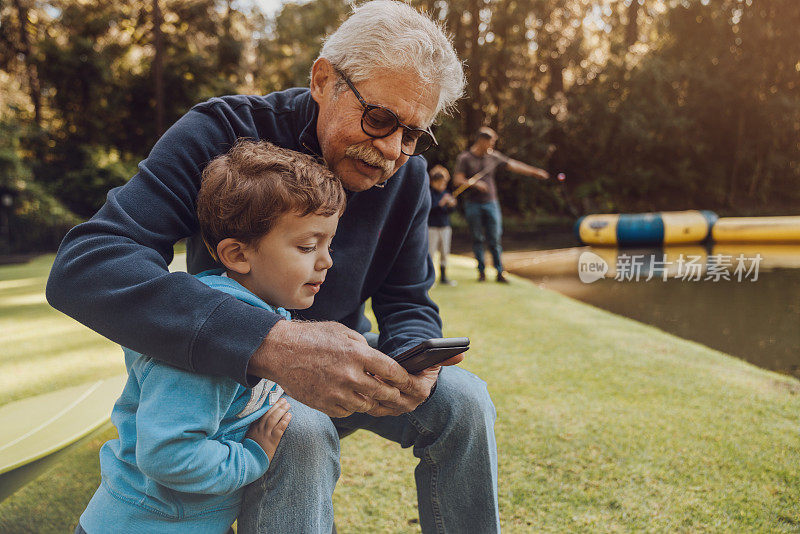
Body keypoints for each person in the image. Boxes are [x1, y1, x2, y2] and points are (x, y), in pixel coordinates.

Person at [47, 2, 499, 532]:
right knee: (299, 428)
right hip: (239, 379)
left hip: (348, 366)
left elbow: (407, 300)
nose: (391, 151)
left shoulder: (408, 175)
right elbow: (88, 264)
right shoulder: (221, 131)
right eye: (379, 119)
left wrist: (417, 358)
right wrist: (270, 344)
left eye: (413, 135)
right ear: (324, 79)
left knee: (466, 399)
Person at [75, 141, 346, 534]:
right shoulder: (212, 348)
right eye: (307, 246)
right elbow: (166, 454)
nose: (326, 260)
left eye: (328, 244)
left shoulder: (262, 314)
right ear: (237, 255)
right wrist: (253, 456)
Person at [453, 126, 550, 283]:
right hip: (473, 204)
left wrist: (535, 172)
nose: (492, 145)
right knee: (477, 238)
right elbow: (457, 179)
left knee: (494, 238)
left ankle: (499, 272)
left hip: (491, 203)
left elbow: (514, 165)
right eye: (491, 142)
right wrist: (475, 184)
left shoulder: (494, 157)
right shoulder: (465, 158)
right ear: (482, 141)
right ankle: (482, 272)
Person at [427, 164, 457, 286]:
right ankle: (429, 278)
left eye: (443, 183)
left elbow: (450, 211)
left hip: (445, 226)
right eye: (439, 183)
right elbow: (430, 208)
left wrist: (452, 205)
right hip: (432, 227)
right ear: (433, 182)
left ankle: (444, 277)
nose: (442, 185)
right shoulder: (429, 193)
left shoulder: (446, 193)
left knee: (445, 252)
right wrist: (441, 203)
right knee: (430, 252)